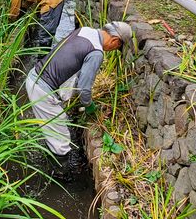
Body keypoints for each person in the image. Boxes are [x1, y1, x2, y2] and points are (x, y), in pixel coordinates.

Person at [25, 21, 133, 174]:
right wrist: (89, 105)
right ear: (115, 41)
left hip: (35, 77)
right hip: (43, 91)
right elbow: (84, 87)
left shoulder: (84, 31)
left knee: (53, 130)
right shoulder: (96, 52)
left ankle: (52, 162)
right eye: (116, 48)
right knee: (61, 142)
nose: (112, 50)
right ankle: (61, 177)